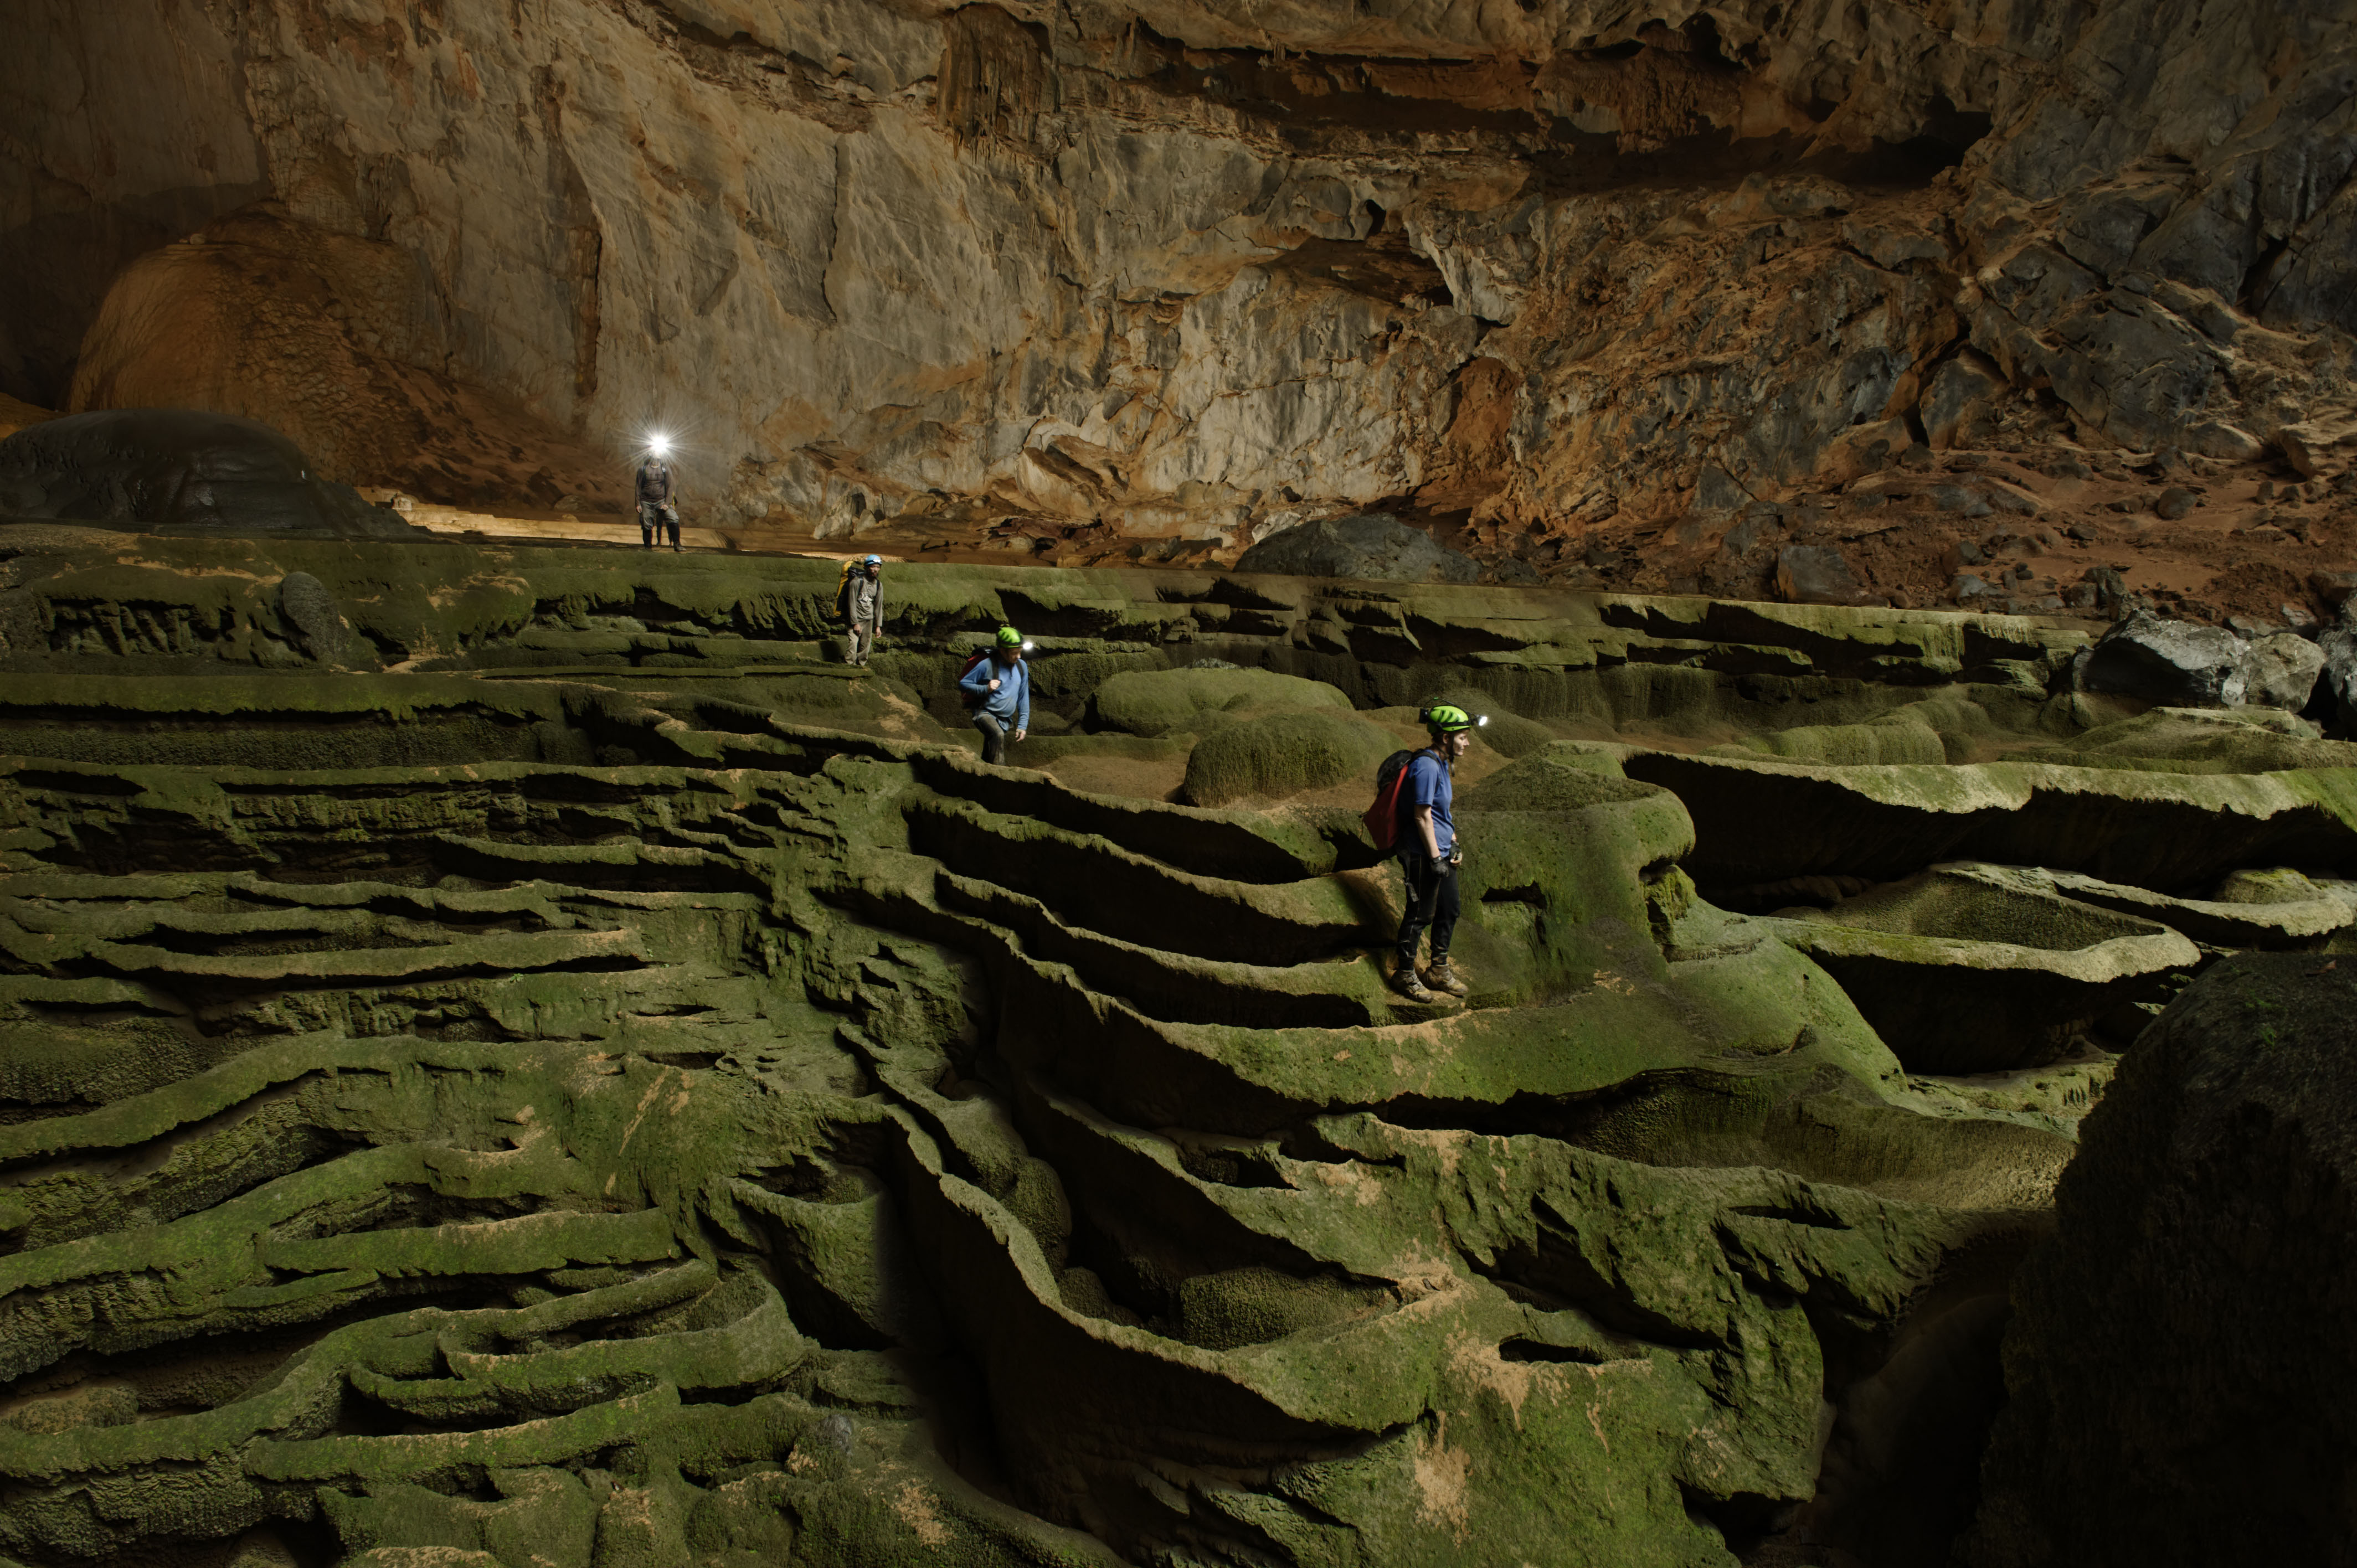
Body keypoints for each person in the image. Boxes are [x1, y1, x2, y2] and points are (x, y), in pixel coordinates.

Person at [1391, 704, 1478, 1003]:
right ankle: (1404, 974)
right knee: (1420, 914)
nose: (1467, 742)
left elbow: (1442, 812)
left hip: (1441, 851)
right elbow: (1421, 816)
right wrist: (1434, 858)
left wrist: (1452, 843)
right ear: (1445, 737)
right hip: (1422, 853)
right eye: (1463, 737)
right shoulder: (1427, 766)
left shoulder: (1443, 762)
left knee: (1449, 909)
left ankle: (1438, 970)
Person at [959, 626, 1031, 765]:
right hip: (984, 713)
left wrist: (1022, 725)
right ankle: (1002, 778)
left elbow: (1023, 697)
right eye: (1015, 653)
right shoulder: (987, 665)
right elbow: (963, 684)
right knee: (997, 735)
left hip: (1005, 720)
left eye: (1020, 652)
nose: (1019, 656)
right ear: (1003, 651)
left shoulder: (1022, 667)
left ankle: (982, 779)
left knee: (989, 754)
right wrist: (985, 688)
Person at [636, 447, 681, 551]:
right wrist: (638, 503)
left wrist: (667, 503)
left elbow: (670, 488)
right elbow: (638, 487)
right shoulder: (643, 470)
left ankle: (677, 544)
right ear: (650, 453)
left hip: (661, 501)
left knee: (673, 518)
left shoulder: (665, 469)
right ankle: (648, 547)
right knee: (647, 523)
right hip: (646, 501)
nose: (659, 452)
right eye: (657, 450)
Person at [843, 554, 883, 666]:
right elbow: (851, 603)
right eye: (873, 566)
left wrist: (878, 626)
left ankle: (861, 669)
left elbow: (879, 606)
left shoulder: (879, 585)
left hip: (869, 620)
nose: (875, 569)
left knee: (865, 648)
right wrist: (855, 623)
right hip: (856, 619)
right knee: (853, 644)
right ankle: (848, 667)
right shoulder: (857, 582)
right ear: (866, 567)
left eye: (878, 567)